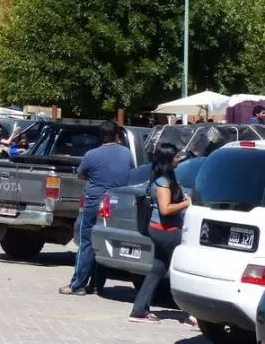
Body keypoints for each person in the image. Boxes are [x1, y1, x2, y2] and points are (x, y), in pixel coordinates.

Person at [60, 121, 134, 295]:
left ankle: (77, 285)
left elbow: (81, 175)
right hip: (117, 203)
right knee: (104, 242)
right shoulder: (127, 153)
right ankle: (96, 284)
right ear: (117, 136)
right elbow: (130, 173)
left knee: (86, 243)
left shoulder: (91, 155)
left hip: (94, 202)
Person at [129, 144, 191, 323]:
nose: (178, 159)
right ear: (168, 159)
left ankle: (139, 310)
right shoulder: (162, 182)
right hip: (166, 231)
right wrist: (186, 203)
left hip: (163, 229)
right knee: (186, 269)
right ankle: (195, 314)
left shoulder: (166, 177)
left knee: (158, 269)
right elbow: (165, 209)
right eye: (176, 157)